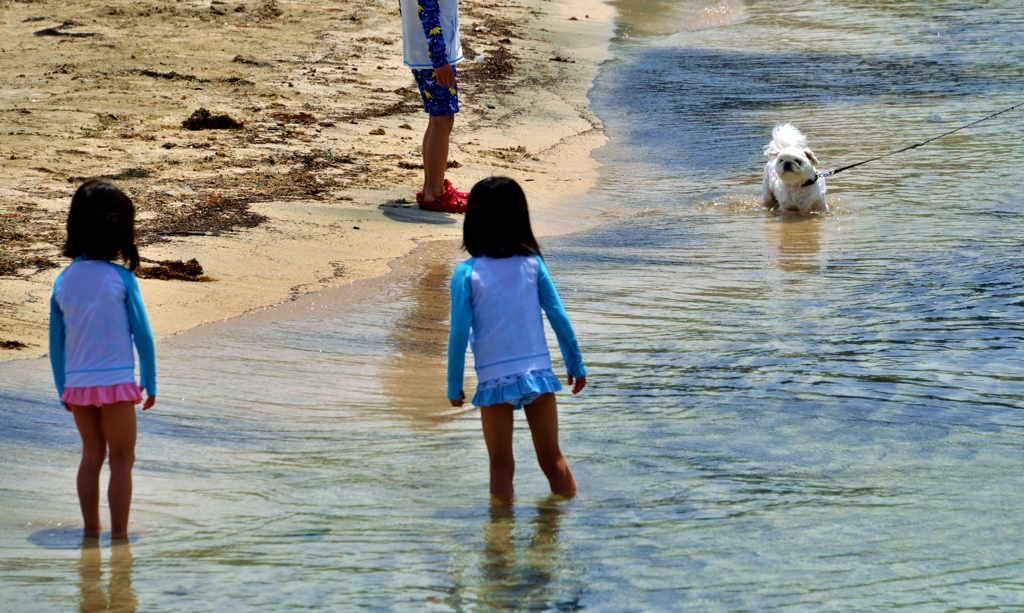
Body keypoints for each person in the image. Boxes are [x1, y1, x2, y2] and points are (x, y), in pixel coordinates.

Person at [447, 177, 587, 499]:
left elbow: (458, 335)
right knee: (553, 460)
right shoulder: (532, 264)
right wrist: (575, 363)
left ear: (473, 222)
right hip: (537, 375)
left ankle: (500, 544)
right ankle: (561, 531)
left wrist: (454, 385)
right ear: (520, 218)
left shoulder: (467, 273)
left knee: (500, 466)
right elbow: (558, 317)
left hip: (494, 381)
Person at [49, 179, 157, 540]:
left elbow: (56, 341)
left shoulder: (62, 280)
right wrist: (151, 381)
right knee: (122, 459)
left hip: (78, 385)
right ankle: (120, 539)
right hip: (115, 383)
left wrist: (63, 387)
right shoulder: (122, 278)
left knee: (91, 455)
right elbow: (142, 334)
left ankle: (91, 531)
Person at [399, 0, 468, 213]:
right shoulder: (437, 58)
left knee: (437, 121)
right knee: (442, 121)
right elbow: (428, 12)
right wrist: (439, 60)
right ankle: (435, 193)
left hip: (423, 53)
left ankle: (431, 187)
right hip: (435, 58)